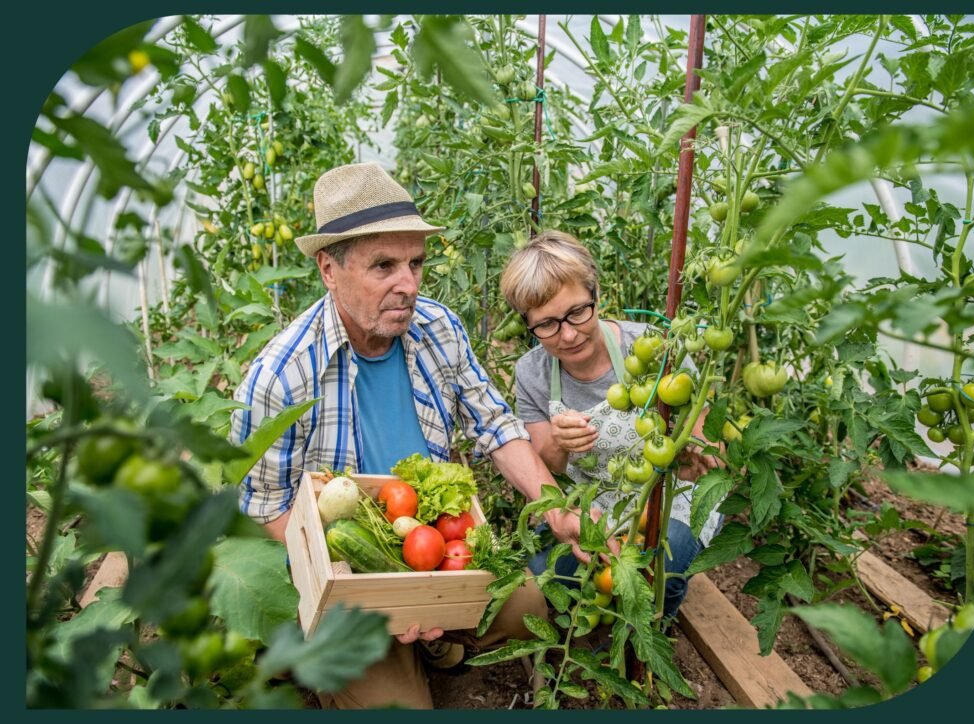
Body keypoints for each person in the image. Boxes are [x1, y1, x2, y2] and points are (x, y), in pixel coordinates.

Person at [230, 163, 582, 708]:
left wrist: (556, 507)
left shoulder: (438, 328)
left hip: (440, 548)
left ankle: (442, 637)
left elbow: (494, 424)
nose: (409, 284)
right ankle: (371, 657)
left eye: (416, 263)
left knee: (534, 605)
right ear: (329, 269)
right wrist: (369, 590)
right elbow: (267, 509)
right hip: (353, 580)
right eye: (384, 266)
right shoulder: (282, 375)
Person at [499, 230, 723, 618]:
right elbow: (548, 467)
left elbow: (710, 457)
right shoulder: (532, 372)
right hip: (595, 503)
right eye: (547, 325)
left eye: (577, 313)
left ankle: (653, 631)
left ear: (596, 294)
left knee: (658, 573)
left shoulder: (654, 354)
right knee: (540, 577)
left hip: (668, 499)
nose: (568, 335)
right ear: (527, 324)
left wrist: (690, 454)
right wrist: (560, 441)